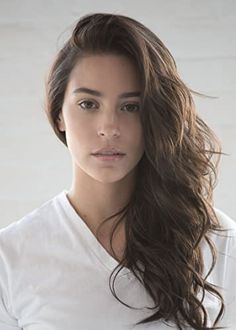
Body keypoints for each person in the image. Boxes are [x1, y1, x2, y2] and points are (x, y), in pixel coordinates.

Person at [0, 12, 235, 330]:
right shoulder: (11, 257)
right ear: (59, 115)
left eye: (131, 107)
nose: (109, 128)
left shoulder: (215, 240)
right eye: (88, 104)